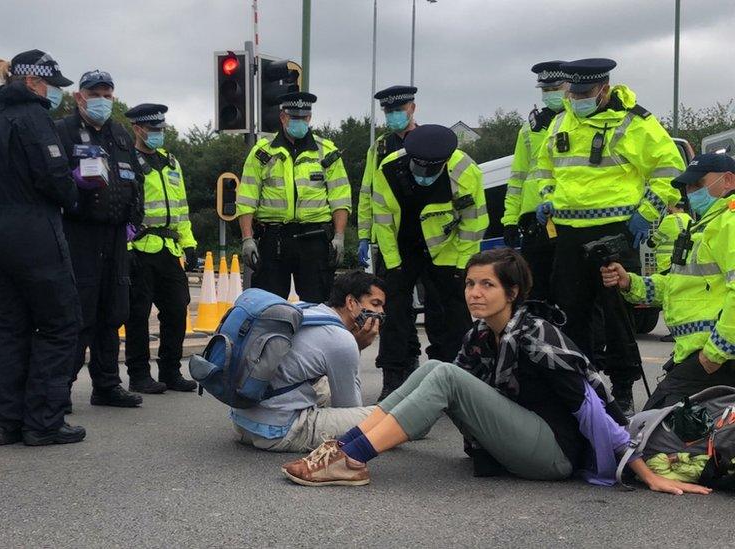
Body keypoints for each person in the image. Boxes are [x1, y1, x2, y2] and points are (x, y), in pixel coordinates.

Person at [282, 249, 710, 496]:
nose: (474, 292)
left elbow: (592, 400)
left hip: (555, 453)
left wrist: (642, 469)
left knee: (445, 375)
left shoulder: (535, 332)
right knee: (435, 368)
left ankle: (352, 459)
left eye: (486, 284)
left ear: (514, 291)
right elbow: (440, 391)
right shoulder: (481, 336)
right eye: (470, 284)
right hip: (520, 441)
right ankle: (344, 448)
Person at [535, 58, 684, 411]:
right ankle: (580, 386)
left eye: (585, 94)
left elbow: (671, 171)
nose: (576, 99)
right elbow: (544, 169)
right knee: (570, 311)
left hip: (615, 234)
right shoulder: (561, 120)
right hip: (570, 235)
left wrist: (645, 215)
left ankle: (622, 389)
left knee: (616, 314)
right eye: (573, 93)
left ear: (604, 89)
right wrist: (547, 199)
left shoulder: (636, 123)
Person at [0, 50, 85, 446]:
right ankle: (43, 422)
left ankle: (6, 422)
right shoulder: (35, 118)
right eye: (52, 85)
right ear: (34, 82)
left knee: (11, 326)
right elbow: (54, 177)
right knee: (58, 324)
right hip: (35, 229)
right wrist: (74, 194)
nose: (55, 93)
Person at [602, 153, 735, 410]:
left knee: (650, 431)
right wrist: (630, 282)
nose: (690, 192)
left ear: (728, 180)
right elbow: (676, 286)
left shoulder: (729, 223)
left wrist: (715, 353)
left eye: (698, 184)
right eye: (688, 186)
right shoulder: (706, 225)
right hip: (702, 356)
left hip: (715, 358)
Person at [366, 124, 488, 399]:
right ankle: (395, 377)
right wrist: (394, 265)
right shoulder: (388, 169)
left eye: (430, 171)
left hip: (445, 250)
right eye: (418, 169)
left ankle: (454, 377)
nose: (423, 176)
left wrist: (462, 267)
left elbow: (473, 224)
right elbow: (383, 222)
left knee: (449, 316)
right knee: (394, 312)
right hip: (401, 246)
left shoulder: (465, 172)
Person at [54, 69, 145, 409]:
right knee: (80, 314)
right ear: (80, 97)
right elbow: (52, 178)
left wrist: (133, 219)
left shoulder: (119, 135)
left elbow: (134, 178)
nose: (102, 101)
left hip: (115, 235)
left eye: (108, 95)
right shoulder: (62, 131)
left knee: (112, 311)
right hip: (79, 233)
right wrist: (74, 185)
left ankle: (106, 384)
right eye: (96, 95)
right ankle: (59, 387)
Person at [232, 271, 385, 453]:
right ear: (351, 302)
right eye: (376, 304)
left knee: (324, 384)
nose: (381, 312)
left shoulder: (304, 309)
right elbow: (349, 406)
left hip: (242, 424)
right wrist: (356, 346)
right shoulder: (342, 341)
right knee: (383, 418)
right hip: (279, 433)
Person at [356, 85, 435, 400]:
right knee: (392, 313)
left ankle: (432, 378)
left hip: (430, 239)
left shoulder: (429, 141)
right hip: (391, 240)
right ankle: (393, 380)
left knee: (438, 312)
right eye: (387, 111)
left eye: (398, 110)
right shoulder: (379, 147)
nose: (392, 116)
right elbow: (367, 191)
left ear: (412, 109)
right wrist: (364, 234)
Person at [237, 91, 350, 303]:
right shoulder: (262, 153)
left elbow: (340, 198)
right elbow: (246, 198)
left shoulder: (327, 152)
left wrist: (339, 236)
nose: (300, 122)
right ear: (283, 117)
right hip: (274, 238)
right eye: (294, 118)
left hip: (314, 238)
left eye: (304, 118)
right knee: (268, 306)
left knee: (318, 304)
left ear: (310, 118)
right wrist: (247, 238)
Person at [122, 104, 198, 394]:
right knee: (137, 315)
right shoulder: (127, 161)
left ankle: (170, 371)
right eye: (153, 130)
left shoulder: (171, 163)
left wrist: (188, 244)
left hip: (168, 248)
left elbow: (181, 209)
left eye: (161, 129)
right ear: (138, 129)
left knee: (177, 311)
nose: (158, 134)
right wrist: (126, 246)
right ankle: (139, 374)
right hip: (139, 247)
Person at [502, 61, 567, 302]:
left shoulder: (579, 123)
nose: (550, 95)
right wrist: (510, 220)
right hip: (534, 223)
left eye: (555, 89)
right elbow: (517, 178)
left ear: (569, 87)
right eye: (546, 90)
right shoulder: (530, 129)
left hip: (567, 217)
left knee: (569, 293)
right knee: (533, 294)